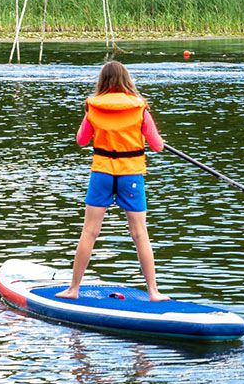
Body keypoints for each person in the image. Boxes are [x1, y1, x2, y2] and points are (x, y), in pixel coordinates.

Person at [57, 60, 168, 301]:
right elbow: (158, 146)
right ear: (126, 80)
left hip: (102, 174)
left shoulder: (93, 108)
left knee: (89, 231)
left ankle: (73, 289)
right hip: (131, 175)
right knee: (140, 232)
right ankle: (154, 292)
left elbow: (81, 140)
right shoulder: (140, 109)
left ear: (102, 82)